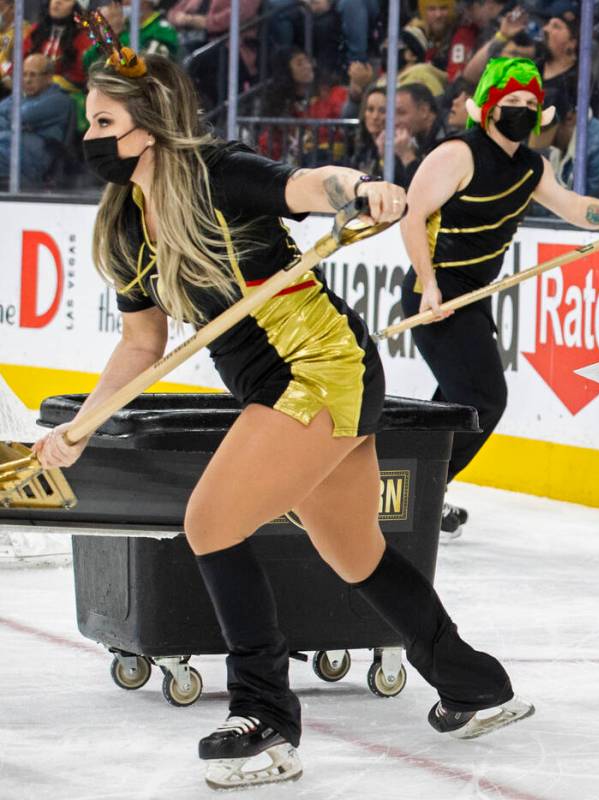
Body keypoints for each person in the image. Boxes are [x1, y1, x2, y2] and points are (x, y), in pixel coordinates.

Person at [32, 49, 533, 790]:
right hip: (279, 380)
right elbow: (143, 343)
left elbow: (306, 186)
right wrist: (85, 425)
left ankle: (264, 717)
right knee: (352, 549)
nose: (91, 135)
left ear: (151, 125)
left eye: (105, 120)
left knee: (211, 523)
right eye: (90, 122)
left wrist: (362, 190)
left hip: (320, 367)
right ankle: (474, 683)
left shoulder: (213, 172)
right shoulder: (125, 229)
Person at [399, 57, 599, 537]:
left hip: (474, 296)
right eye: (511, 102)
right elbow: (412, 216)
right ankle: (421, 494)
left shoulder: (530, 167)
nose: (521, 110)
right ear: (488, 107)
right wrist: (430, 283)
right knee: (483, 396)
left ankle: (412, 487)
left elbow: (578, 209)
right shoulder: (458, 154)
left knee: (456, 402)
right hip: (434, 293)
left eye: (529, 103)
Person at [0, 53, 74, 185]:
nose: (27, 80)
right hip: (10, 152)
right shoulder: (20, 97)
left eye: (33, 75)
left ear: (48, 78)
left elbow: (22, 116)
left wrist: (12, 119)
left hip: (36, 160)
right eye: (24, 74)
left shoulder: (59, 100)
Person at [23, 0, 93, 91]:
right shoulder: (35, 31)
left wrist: (51, 81)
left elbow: (80, 76)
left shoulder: (84, 36)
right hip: (28, 89)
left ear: (76, 7)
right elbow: (19, 62)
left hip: (66, 93)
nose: (57, 2)